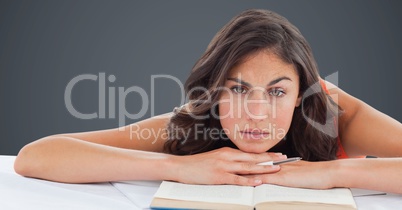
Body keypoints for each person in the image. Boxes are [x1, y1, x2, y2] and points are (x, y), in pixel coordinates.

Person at [14, 9, 402, 194]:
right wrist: (179, 167)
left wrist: (333, 174)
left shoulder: (335, 114)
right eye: (237, 89)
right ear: (213, 92)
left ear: (303, 92)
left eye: (277, 92)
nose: (256, 112)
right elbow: (36, 155)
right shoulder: (198, 121)